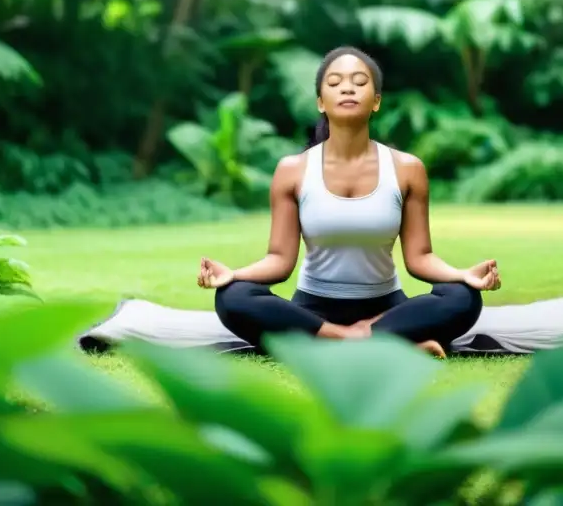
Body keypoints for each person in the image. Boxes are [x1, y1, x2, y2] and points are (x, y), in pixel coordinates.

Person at [197, 46, 501, 358]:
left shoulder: (407, 168)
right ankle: (368, 339)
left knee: (463, 297)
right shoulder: (293, 170)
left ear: (377, 101)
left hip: (387, 309)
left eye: (359, 81)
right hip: (313, 310)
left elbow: (420, 258)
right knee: (232, 297)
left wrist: (462, 275)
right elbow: (279, 260)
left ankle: (353, 336)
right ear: (320, 102)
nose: (347, 88)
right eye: (334, 83)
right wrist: (233, 276)